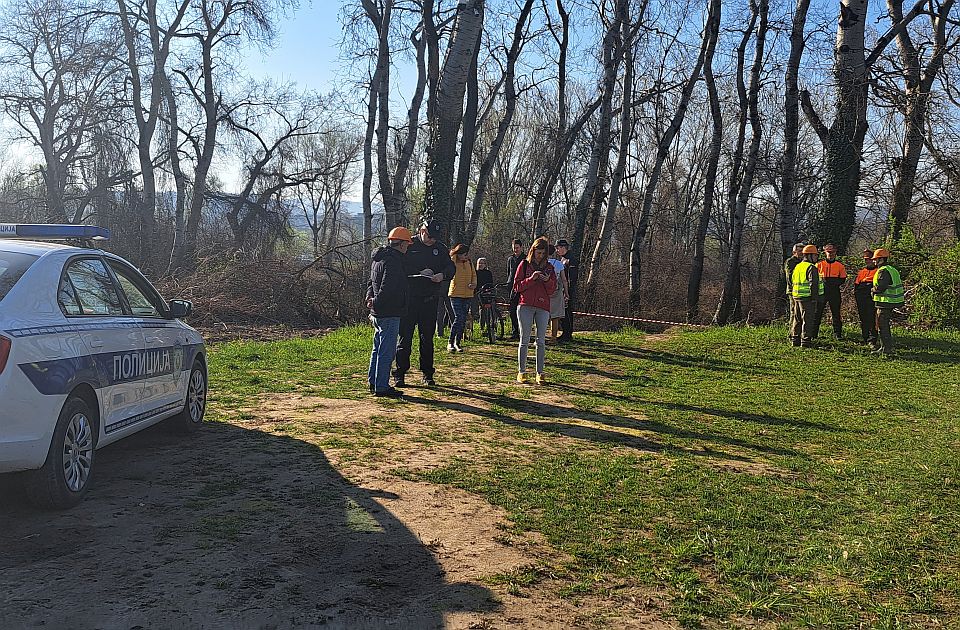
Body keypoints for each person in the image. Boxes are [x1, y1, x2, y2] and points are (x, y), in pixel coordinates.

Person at [394, 219, 456, 387]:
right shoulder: (409, 245)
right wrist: (419, 273)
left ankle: (427, 373)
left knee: (427, 338)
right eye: (429, 236)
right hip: (410, 300)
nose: (431, 240)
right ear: (421, 230)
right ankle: (400, 373)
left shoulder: (440, 248)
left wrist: (442, 276)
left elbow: (451, 268)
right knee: (405, 338)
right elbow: (399, 266)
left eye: (434, 238)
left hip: (430, 300)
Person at [365, 227, 412, 398]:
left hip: (377, 311)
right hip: (389, 311)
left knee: (377, 348)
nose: (408, 248)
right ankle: (382, 386)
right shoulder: (394, 261)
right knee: (387, 350)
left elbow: (371, 282)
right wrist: (377, 301)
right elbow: (389, 287)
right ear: (400, 244)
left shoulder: (378, 258)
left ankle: (374, 381)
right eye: (407, 244)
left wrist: (370, 298)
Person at [513, 237, 557, 384]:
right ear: (533, 251)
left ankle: (540, 372)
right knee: (524, 339)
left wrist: (546, 280)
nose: (540, 256)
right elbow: (517, 286)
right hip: (525, 305)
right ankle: (522, 371)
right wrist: (531, 279)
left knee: (541, 341)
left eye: (543, 253)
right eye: (538, 252)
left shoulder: (550, 268)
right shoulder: (524, 265)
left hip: (543, 306)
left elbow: (553, 290)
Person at [871, 248, 904, 356]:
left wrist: (872, 290)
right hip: (892, 301)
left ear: (881, 259)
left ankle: (886, 349)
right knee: (884, 324)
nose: (874, 261)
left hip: (885, 302)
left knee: (882, 325)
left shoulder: (883, 271)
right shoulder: (892, 269)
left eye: (876, 259)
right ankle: (885, 347)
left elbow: (881, 287)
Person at [791, 244, 823, 348]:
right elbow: (813, 283)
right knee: (807, 319)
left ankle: (795, 339)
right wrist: (814, 298)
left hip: (796, 296)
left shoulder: (798, 266)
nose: (816, 258)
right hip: (807, 298)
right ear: (809, 256)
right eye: (815, 256)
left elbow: (792, 281)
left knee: (797, 319)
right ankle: (805, 341)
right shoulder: (811, 267)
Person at [447, 243, 476, 353]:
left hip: (467, 294)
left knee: (463, 319)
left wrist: (473, 284)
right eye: (464, 254)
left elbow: (474, 275)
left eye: (467, 254)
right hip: (455, 294)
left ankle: (457, 343)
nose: (466, 256)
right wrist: (455, 254)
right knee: (458, 317)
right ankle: (450, 342)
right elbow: (451, 263)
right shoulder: (453, 261)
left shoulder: (469, 262)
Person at [815, 243, 847, 340]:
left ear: (835, 252)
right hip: (822, 292)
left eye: (832, 252)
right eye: (828, 252)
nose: (830, 254)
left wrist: (834, 283)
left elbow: (843, 279)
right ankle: (813, 333)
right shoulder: (819, 265)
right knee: (817, 313)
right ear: (825, 252)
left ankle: (838, 334)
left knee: (836, 314)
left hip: (834, 292)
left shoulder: (840, 266)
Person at [853, 249, 879, 346]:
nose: (867, 261)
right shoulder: (862, 272)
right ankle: (865, 337)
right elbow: (856, 285)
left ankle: (872, 339)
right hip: (861, 297)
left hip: (871, 297)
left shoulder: (878, 271)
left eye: (869, 259)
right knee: (863, 318)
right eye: (865, 259)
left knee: (872, 318)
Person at [555, 239, 578, 343]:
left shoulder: (571, 259)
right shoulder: (562, 259)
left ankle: (568, 334)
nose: (556, 250)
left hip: (569, 290)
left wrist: (567, 291)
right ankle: (565, 332)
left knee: (568, 312)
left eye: (558, 248)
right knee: (563, 312)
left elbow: (571, 278)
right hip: (563, 289)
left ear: (563, 247)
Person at [548, 244, 568, 342]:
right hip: (556, 292)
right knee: (555, 317)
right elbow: (564, 279)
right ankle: (554, 337)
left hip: (544, 292)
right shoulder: (559, 264)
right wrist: (566, 292)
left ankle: (540, 337)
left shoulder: (542, 263)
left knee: (540, 316)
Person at [784, 243, 804, 339]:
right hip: (793, 291)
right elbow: (790, 277)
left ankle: (799, 333)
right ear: (794, 252)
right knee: (794, 312)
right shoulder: (790, 262)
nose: (801, 253)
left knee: (801, 313)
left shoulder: (804, 262)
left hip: (803, 291)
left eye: (802, 251)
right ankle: (792, 333)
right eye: (799, 251)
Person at [506, 239, 524, 340]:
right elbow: (509, 273)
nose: (515, 250)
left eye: (517, 248)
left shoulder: (525, 259)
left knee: (521, 311)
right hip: (512, 287)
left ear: (521, 247)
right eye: (514, 248)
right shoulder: (510, 259)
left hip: (522, 288)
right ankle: (515, 331)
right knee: (512, 311)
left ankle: (522, 331)